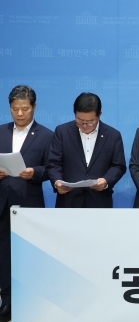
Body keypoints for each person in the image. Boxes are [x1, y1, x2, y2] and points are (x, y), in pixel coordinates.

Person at [0, 86, 54, 322]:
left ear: (33, 107)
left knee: (29, 255)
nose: (20, 113)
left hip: (29, 203)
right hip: (3, 202)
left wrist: (35, 172)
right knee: (3, 256)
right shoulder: (0, 132)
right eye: (15, 109)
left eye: (24, 108)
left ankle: (31, 304)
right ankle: (6, 304)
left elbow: (52, 169)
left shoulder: (47, 135)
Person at [47, 92, 126, 208]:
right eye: (79, 120)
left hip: (99, 202)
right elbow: (53, 163)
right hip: (68, 201)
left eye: (90, 122)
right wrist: (57, 182)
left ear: (99, 114)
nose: (84, 125)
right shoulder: (62, 132)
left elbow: (118, 166)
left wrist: (106, 181)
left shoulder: (113, 135)